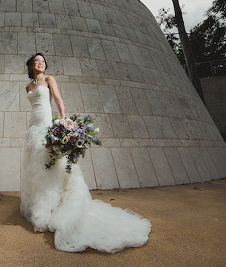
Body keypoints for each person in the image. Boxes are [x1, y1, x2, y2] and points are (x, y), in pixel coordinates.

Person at [21, 53, 152, 253]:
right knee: (38, 167)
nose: (41, 63)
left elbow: (57, 98)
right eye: (37, 61)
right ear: (30, 65)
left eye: (43, 61)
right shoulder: (28, 86)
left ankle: (57, 207)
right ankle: (41, 208)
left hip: (47, 125)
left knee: (54, 165)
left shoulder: (49, 79)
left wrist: (63, 121)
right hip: (34, 127)